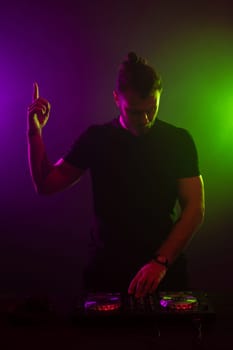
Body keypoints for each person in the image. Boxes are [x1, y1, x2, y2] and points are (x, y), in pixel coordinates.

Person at [27, 52, 205, 299]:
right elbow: (46, 184)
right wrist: (35, 133)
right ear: (115, 99)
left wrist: (160, 262)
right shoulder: (97, 138)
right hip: (107, 270)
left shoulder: (178, 141)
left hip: (164, 272)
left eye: (151, 108)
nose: (145, 119)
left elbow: (195, 209)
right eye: (134, 111)